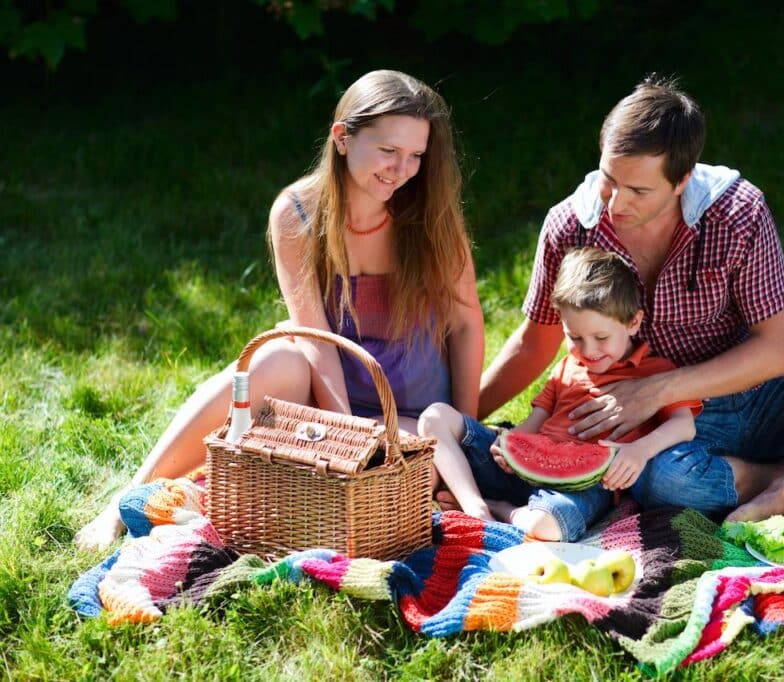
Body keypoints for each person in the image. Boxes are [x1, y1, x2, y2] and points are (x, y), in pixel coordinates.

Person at [478, 75, 784, 524]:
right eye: (609, 180)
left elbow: (776, 353)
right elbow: (535, 341)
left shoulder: (738, 213)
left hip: (762, 398)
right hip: (675, 430)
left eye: (638, 190)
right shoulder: (570, 226)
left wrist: (654, 390)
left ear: (682, 180)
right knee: (663, 481)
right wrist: (462, 415)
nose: (616, 203)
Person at [75, 70, 484, 551]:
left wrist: (465, 431)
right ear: (342, 138)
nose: (402, 169)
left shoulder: (429, 214)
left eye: (416, 155)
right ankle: (127, 499)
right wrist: (348, 437)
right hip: (329, 392)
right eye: (388, 151)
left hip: (410, 410)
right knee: (274, 359)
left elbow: (464, 323)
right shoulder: (297, 212)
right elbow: (315, 337)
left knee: (410, 459)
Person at [419, 247, 702, 541]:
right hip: (521, 470)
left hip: (588, 486)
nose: (588, 350)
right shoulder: (567, 366)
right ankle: (474, 507)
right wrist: (509, 446)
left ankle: (500, 509)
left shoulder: (656, 372)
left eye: (601, 338)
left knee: (547, 527)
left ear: (633, 322)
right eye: (575, 337)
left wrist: (640, 451)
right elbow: (534, 423)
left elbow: (684, 424)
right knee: (434, 416)